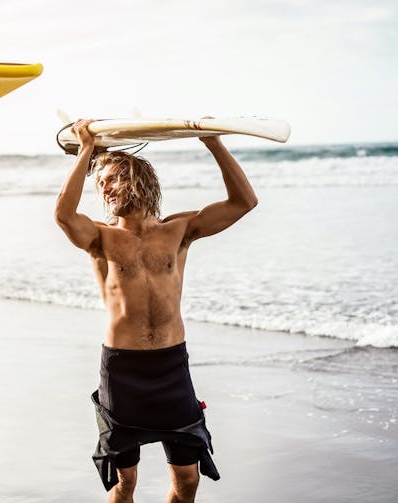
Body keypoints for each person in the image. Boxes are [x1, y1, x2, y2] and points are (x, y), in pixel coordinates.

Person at [54, 119, 257, 503]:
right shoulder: (101, 237)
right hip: (122, 370)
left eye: (112, 179)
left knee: (188, 481)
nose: (106, 189)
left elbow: (244, 202)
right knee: (123, 483)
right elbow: (64, 216)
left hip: (170, 367)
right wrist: (85, 151)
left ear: (139, 178)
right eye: (102, 184)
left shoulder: (179, 229)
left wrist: (212, 142)